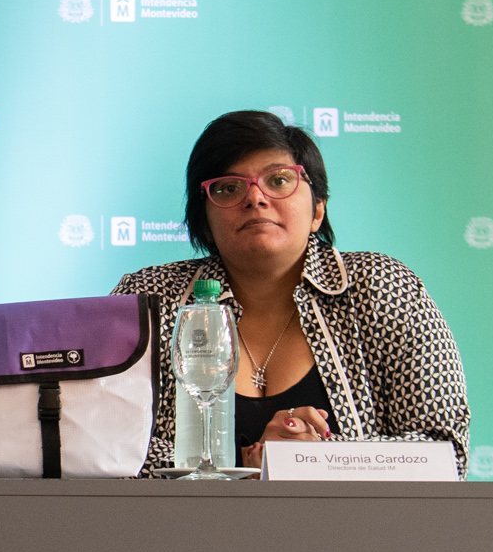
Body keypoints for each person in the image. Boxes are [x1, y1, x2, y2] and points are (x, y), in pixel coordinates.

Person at [113, 110, 470, 474]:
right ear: (204, 222)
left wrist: (308, 459)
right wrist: (244, 471)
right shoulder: (145, 300)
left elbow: (445, 452)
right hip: (183, 514)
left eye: (279, 180)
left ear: (318, 209)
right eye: (229, 188)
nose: (255, 198)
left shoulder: (383, 288)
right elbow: (105, 445)